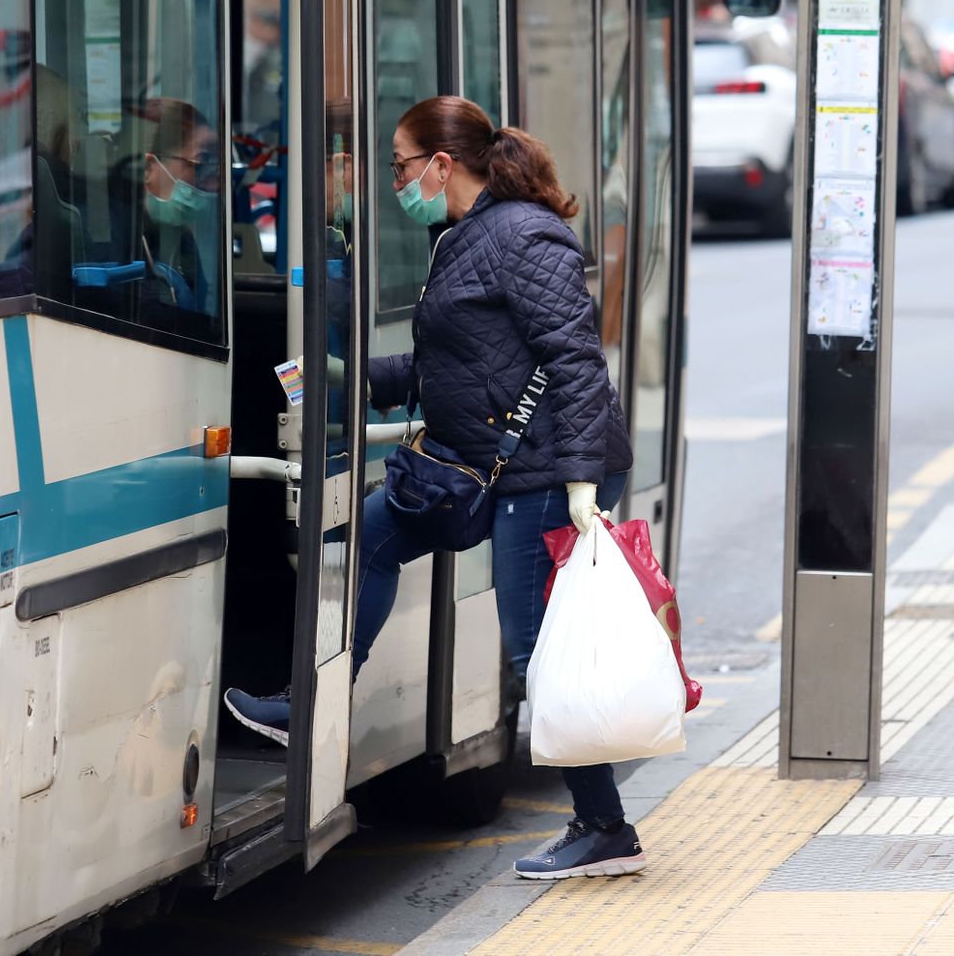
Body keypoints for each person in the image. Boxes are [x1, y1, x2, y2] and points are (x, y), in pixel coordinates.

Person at [225, 96, 642, 881]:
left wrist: (583, 479)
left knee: (531, 647)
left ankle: (603, 823)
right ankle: (307, 703)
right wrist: (348, 380)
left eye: (400, 164)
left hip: (544, 473)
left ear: (442, 165)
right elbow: (453, 363)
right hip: (485, 462)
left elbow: (579, 360)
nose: (393, 180)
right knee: (369, 540)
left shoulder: (523, 236)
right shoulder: (462, 237)